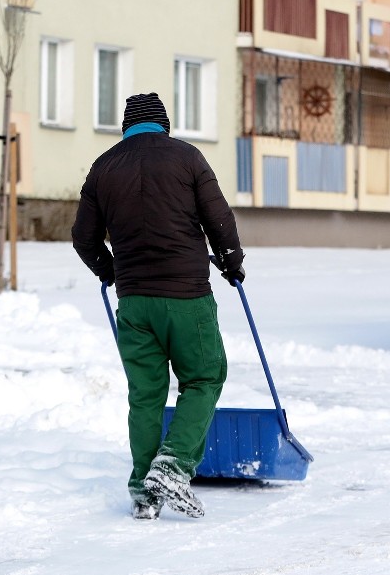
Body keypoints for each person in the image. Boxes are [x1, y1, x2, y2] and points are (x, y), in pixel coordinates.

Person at [72, 92, 245, 520]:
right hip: (186, 296)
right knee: (204, 378)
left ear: (125, 126)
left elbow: (83, 238)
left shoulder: (103, 167)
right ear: (164, 125)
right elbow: (217, 216)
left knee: (145, 395)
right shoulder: (187, 158)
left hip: (134, 302)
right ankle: (173, 464)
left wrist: (110, 272)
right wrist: (232, 262)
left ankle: (143, 492)